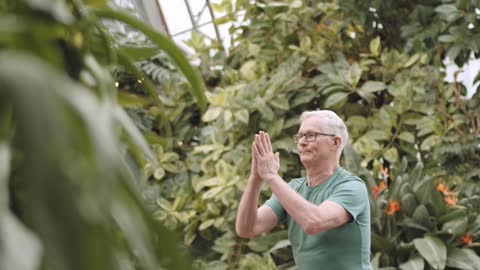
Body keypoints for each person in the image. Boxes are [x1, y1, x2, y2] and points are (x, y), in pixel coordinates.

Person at [235, 110, 372, 270]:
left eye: (311, 135)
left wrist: (272, 177)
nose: (302, 142)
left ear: (335, 142)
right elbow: (247, 228)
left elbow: (314, 222)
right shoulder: (293, 189)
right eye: (300, 136)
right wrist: (256, 179)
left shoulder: (352, 187)